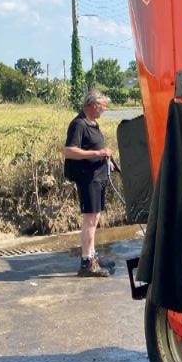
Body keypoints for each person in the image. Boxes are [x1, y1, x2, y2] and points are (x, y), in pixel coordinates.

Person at [64, 90, 117, 278]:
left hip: (98, 176)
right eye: (103, 106)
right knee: (90, 219)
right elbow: (69, 151)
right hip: (88, 178)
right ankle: (86, 262)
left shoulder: (93, 124)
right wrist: (97, 154)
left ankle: (92, 256)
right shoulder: (79, 124)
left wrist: (107, 160)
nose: (105, 109)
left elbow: (96, 147)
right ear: (94, 105)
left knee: (95, 218)